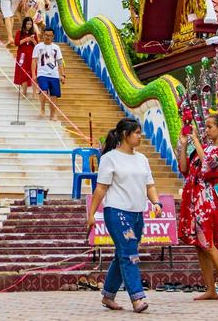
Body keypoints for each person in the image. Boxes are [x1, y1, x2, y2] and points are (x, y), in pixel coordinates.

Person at [87, 117, 162, 313]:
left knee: (123, 254)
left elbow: (150, 185)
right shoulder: (109, 158)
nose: (139, 136)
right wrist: (91, 214)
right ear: (124, 135)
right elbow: (101, 189)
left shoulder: (142, 159)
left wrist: (156, 203)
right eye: (136, 133)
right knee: (130, 255)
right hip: (117, 212)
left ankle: (108, 295)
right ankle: (137, 298)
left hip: (137, 213)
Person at [177, 112, 218, 302]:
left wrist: (196, 142)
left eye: (210, 127)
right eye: (206, 127)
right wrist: (185, 146)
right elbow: (185, 169)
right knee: (199, 247)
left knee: (208, 245)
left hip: (205, 201)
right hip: (193, 198)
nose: (207, 130)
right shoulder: (205, 148)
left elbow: (208, 166)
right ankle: (211, 289)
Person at [31, 27, 65, 119]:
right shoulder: (38, 47)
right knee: (44, 91)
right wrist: (34, 75)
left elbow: (60, 61)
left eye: (50, 35)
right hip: (42, 73)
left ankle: (53, 114)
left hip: (54, 74)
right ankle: (42, 108)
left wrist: (62, 74)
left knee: (54, 95)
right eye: (46, 35)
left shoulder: (56, 47)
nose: (48, 37)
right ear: (43, 35)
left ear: (53, 36)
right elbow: (34, 61)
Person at [14, 16, 38, 94]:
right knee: (23, 72)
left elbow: (37, 45)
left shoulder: (34, 33)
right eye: (27, 24)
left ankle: (30, 92)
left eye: (30, 24)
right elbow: (17, 43)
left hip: (31, 56)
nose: (29, 26)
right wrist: (25, 39)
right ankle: (24, 92)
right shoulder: (19, 32)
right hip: (22, 56)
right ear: (24, 24)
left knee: (31, 73)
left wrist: (33, 39)